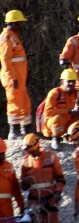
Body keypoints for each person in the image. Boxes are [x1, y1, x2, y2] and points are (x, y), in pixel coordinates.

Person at [20, 133, 65, 223]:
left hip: (50, 197)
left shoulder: (51, 157)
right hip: (34, 199)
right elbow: (24, 187)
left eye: (29, 149)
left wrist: (58, 192)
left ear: (36, 145)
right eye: (26, 149)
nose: (28, 151)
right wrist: (24, 182)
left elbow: (60, 178)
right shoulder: (25, 161)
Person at [0, 10, 32, 139]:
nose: (21, 25)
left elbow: (15, 56)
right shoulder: (7, 36)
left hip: (19, 76)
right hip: (13, 77)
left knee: (24, 103)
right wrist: (12, 77)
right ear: (14, 22)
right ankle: (14, 131)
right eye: (19, 23)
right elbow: (5, 58)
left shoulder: (12, 35)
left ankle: (25, 131)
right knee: (15, 102)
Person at [0, 138, 24, 219]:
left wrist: (21, 205)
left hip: (7, 209)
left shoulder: (9, 167)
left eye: (3, 153)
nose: (2, 156)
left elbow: (16, 189)